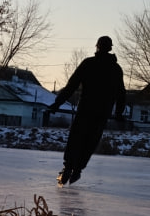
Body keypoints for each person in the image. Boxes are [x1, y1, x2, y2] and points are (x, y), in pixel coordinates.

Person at [47, 35, 127, 185]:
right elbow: (121, 93)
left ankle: (68, 168)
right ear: (110, 49)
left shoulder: (89, 64)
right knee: (90, 141)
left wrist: (58, 103)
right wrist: (119, 113)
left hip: (86, 110)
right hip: (102, 112)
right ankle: (76, 170)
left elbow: (71, 85)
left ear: (97, 47)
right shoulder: (115, 69)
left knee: (76, 139)